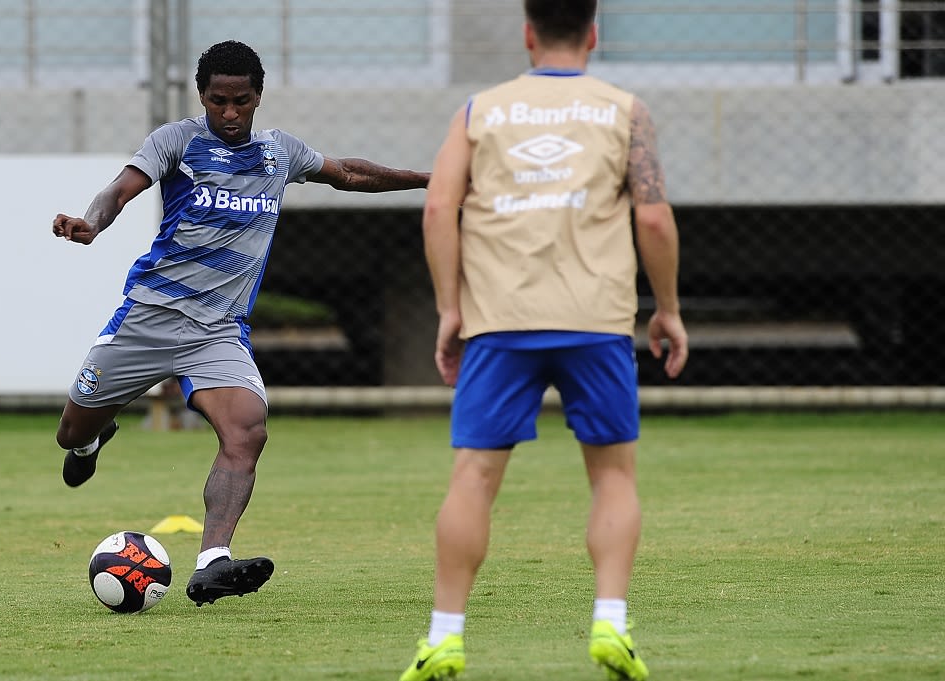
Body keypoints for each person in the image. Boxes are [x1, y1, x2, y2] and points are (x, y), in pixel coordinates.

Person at [52, 40, 428, 607]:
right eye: (218, 101)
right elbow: (121, 189)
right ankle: (92, 440)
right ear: (202, 96)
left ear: (258, 97)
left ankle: (213, 562)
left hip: (218, 331)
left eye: (241, 101)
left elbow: (349, 173)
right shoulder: (176, 141)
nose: (229, 114)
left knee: (248, 428)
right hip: (148, 318)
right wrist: (92, 223)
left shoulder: (281, 154)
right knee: (71, 433)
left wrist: (432, 179)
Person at [399, 1, 688, 679]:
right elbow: (653, 218)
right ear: (594, 33)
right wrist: (668, 307)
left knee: (473, 476)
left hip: (501, 319)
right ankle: (611, 623)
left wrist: (449, 308)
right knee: (613, 475)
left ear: (527, 33)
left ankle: (445, 635)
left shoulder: (479, 111)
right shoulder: (625, 110)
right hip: (597, 318)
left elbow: (439, 206)